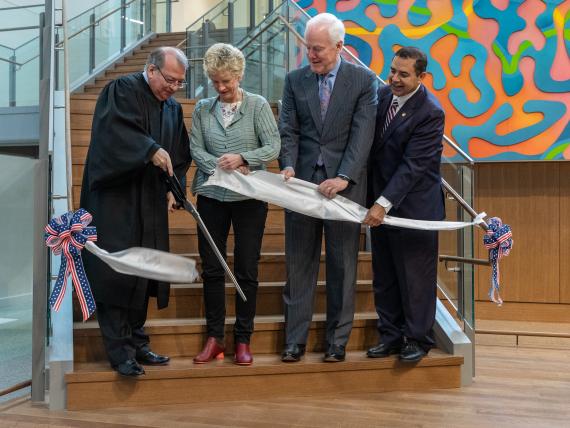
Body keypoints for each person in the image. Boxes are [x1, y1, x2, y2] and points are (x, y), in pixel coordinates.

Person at [80, 47, 192, 377]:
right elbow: (112, 137)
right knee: (118, 271)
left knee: (145, 270)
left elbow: (180, 154)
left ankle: (138, 341)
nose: (173, 87)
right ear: (151, 69)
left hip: (151, 202)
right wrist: (149, 150)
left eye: (180, 83)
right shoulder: (121, 90)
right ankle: (119, 351)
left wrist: (175, 192)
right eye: (169, 79)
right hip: (117, 201)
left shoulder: (172, 108)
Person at [278, 13, 378, 363]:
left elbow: (362, 135)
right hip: (301, 188)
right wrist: (287, 163)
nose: (311, 55)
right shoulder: (294, 81)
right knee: (299, 267)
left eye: (318, 49)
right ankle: (294, 341)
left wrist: (345, 177)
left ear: (339, 46)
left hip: (344, 190)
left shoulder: (364, 81)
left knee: (342, 267)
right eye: (307, 48)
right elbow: (288, 130)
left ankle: (337, 342)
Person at [189, 43, 280, 366]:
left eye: (226, 81)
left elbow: (273, 145)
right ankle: (215, 338)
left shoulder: (257, 106)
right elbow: (195, 149)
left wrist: (244, 158)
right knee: (213, 269)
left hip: (249, 200)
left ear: (239, 75)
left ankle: (243, 338)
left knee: (246, 268)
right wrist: (220, 165)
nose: (221, 87)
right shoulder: (202, 108)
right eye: (215, 81)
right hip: (211, 196)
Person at [363, 46, 445, 363]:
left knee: (415, 279)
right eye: (393, 71)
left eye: (403, 74)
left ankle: (417, 339)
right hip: (380, 206)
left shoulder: (430, 112)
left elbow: (413, 166)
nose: (394, 79)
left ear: (422, 77)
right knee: (385, 275)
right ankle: (391, 336)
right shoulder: (383, 97)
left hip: (415, 210)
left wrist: (382, 203)